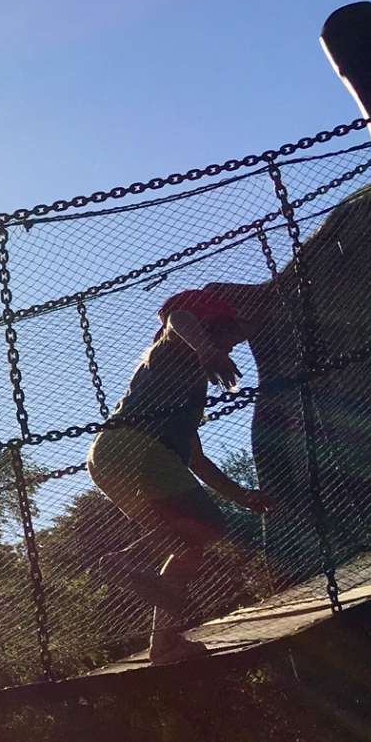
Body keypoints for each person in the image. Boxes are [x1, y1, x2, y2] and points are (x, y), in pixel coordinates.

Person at [90, 284, 272, 664]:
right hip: (136, 447)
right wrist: (206, 348)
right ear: (211, 328)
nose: (231, 348)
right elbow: (179, 317)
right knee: (206, 526)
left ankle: (164, 645)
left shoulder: (187, 385)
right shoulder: (174, 348)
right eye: (227, 339)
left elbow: (195, 458)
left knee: (188, 545)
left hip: (113, 457)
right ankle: (125, 558)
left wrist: (241, 494)